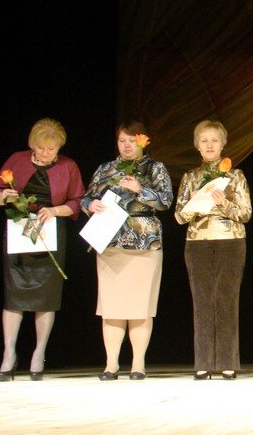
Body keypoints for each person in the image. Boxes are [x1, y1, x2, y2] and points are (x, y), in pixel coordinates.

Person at [0, 118, 85, 382]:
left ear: (59, 147)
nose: (45, 153)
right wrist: (6, 197)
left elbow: (78, 201)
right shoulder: (17, 160)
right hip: (19, 233)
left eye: (51, 149)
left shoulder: (68, 166)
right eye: (41, 148)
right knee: (14, 294)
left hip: (50, 234)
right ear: (33, 145)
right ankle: (9, 354)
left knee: (47, 296)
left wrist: (54, 210)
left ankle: (38, 353)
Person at [81, 121, 173, 380]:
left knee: (140, 306)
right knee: (112, 306)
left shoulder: (154, 167)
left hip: (145, 243)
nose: (127, 146)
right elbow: (86, 197)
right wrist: (91, 205)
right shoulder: (106, 168)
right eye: (122, 141)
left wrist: (140, 190)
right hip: (110, 241)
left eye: (132, 141)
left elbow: (165, 201)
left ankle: (138, 363)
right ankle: (111, 364)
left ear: (143, 141)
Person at [175, 120, 252, 380]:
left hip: (231, 241)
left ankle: (228, 361)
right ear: (197, 145)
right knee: (202, 300)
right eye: (204, 141)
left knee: (227, 300)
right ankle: (204, 362)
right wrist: (196, 203)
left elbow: (246, 214)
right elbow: (179, 216)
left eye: (214, 140)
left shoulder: (235, 176)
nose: (209, 145)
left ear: (223, 144)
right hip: (197, 242)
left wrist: (224, 204)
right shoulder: (190, 177)